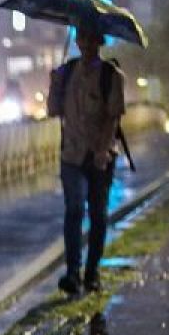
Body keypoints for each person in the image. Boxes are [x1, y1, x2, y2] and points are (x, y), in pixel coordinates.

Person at [47, 24, 125, 295]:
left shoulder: (111, 75)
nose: (87, 43)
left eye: (92, 38)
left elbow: (114, 117)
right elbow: (53, 111)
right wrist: (54, 85)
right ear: (77, 41)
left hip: (99, 156)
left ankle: (91, 273)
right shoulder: (66, 73)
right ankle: (72, 273)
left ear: (99, 42)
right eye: (82, 38)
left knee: (99, 215)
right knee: (74, 209)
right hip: (71, 154)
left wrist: (103, 150)